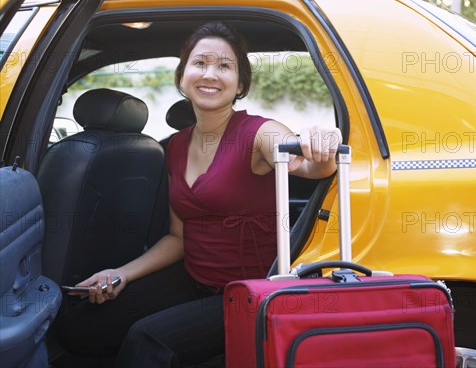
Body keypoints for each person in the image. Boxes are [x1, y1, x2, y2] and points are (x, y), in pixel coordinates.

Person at [54, 21, 341, 367]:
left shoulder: (258, 133)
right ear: (182, 76)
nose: (211, 74)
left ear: (240, 84)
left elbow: (309, 167)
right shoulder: (175, 146)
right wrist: (121, 273)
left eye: (224, 66)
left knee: (147, 342)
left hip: (245, 291)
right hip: (193, 278)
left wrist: (320, 144)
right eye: (200, 63)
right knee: (80, 324)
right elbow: (179, 237)